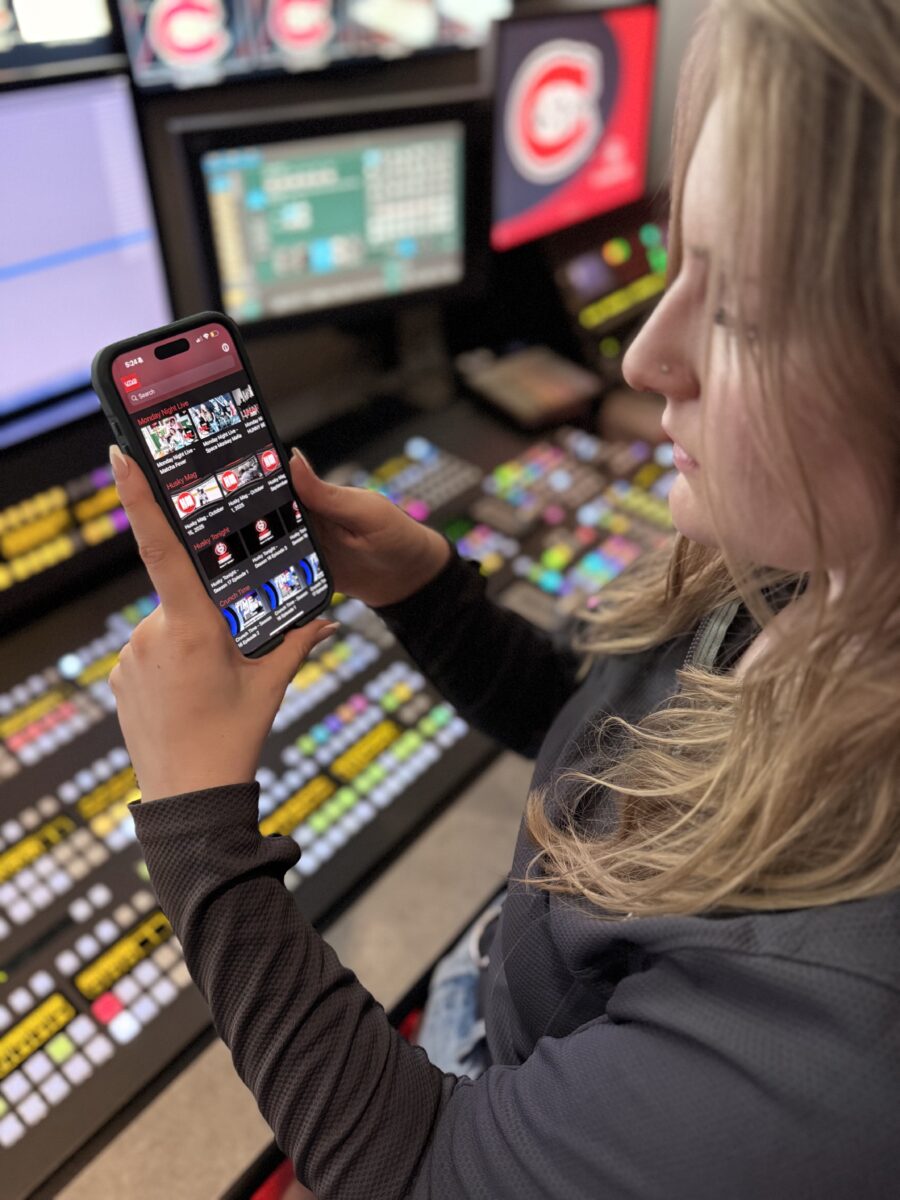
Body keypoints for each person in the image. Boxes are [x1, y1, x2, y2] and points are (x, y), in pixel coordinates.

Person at [106, 2, 900, 1196]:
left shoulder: (844, 1052)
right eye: (680, 259)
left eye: (741, 309)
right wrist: (427, 593)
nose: (647, 356)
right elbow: (622, 749)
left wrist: (195, 823)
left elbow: (427, 1171)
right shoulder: (820, 564)